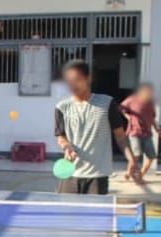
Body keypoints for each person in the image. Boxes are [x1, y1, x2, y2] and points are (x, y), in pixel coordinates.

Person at [55, 60, 136, 195]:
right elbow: (61, 136)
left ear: (88, 78)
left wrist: (131, 158)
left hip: (98, 175)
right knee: (66, 208)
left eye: (77, 79)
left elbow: (121, 136)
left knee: (95, 209)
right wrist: (67, 147)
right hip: (70, 173)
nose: (73, 84)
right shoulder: (61, 107)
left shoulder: (107, 103)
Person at [120, 82, 159, 183]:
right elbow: (122, 108)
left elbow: (152, 118)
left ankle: (140, 175)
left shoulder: (150, 103)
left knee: (151, 157)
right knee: (136, 155)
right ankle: (128, 174)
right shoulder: (132, 99)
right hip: (135, 132)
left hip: (147, 134)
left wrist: (157, 129)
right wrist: (129, 117)